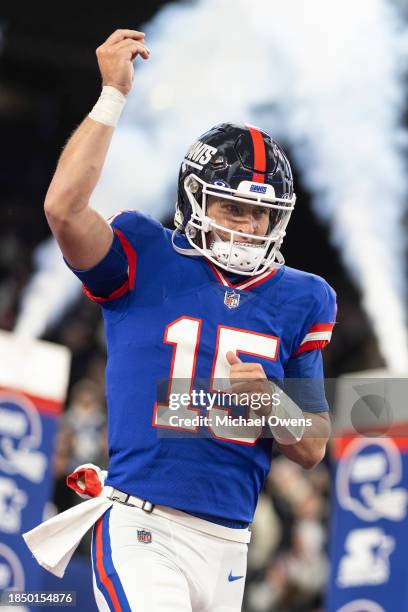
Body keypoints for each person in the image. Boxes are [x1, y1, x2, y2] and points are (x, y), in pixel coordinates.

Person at [44, 29, 336, 612]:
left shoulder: (304, 298)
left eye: (261, 213)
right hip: (140, 529)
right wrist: (111, 96)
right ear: (196, 197)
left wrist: (271, 401)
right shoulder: (145, 253)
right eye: (233, 206)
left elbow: (312, 447)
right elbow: (63, 208)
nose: (246, 226)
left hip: (231, 547)